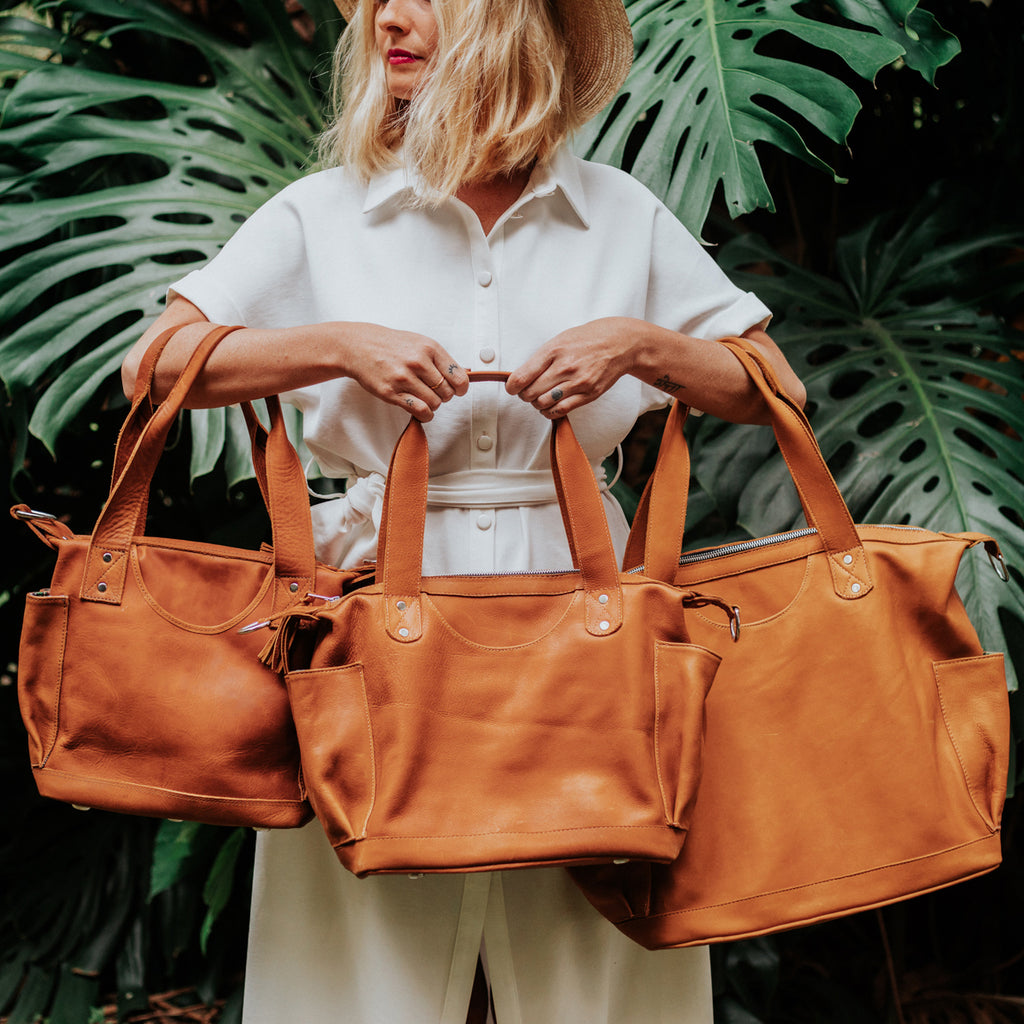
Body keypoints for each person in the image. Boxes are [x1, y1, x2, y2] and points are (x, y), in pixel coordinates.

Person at [123, 0, 805, 1020]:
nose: (387, 18)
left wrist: (639, 344)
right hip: (366, 608)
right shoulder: (325, 211)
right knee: (353, 958)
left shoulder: (616, 212)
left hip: (586, 605)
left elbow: (773, 389)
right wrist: (337, 343)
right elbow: (156, 364)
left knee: (598, 934)